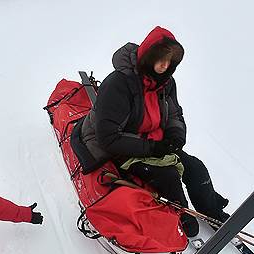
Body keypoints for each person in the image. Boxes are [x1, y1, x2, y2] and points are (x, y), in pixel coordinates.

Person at [71, 26, 230, 237]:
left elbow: (174, 114)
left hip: (152, 142)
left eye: (170, 60)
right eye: (160, 58)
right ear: (148, 55)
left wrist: (176, 136)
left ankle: (211, 211)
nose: (165, 65)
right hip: (121, 147)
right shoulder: (118, 84)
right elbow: (109, 137)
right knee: (168, 176)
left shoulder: (166, 83)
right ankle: (181, 216)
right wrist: (152, 148)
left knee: (196, 167)